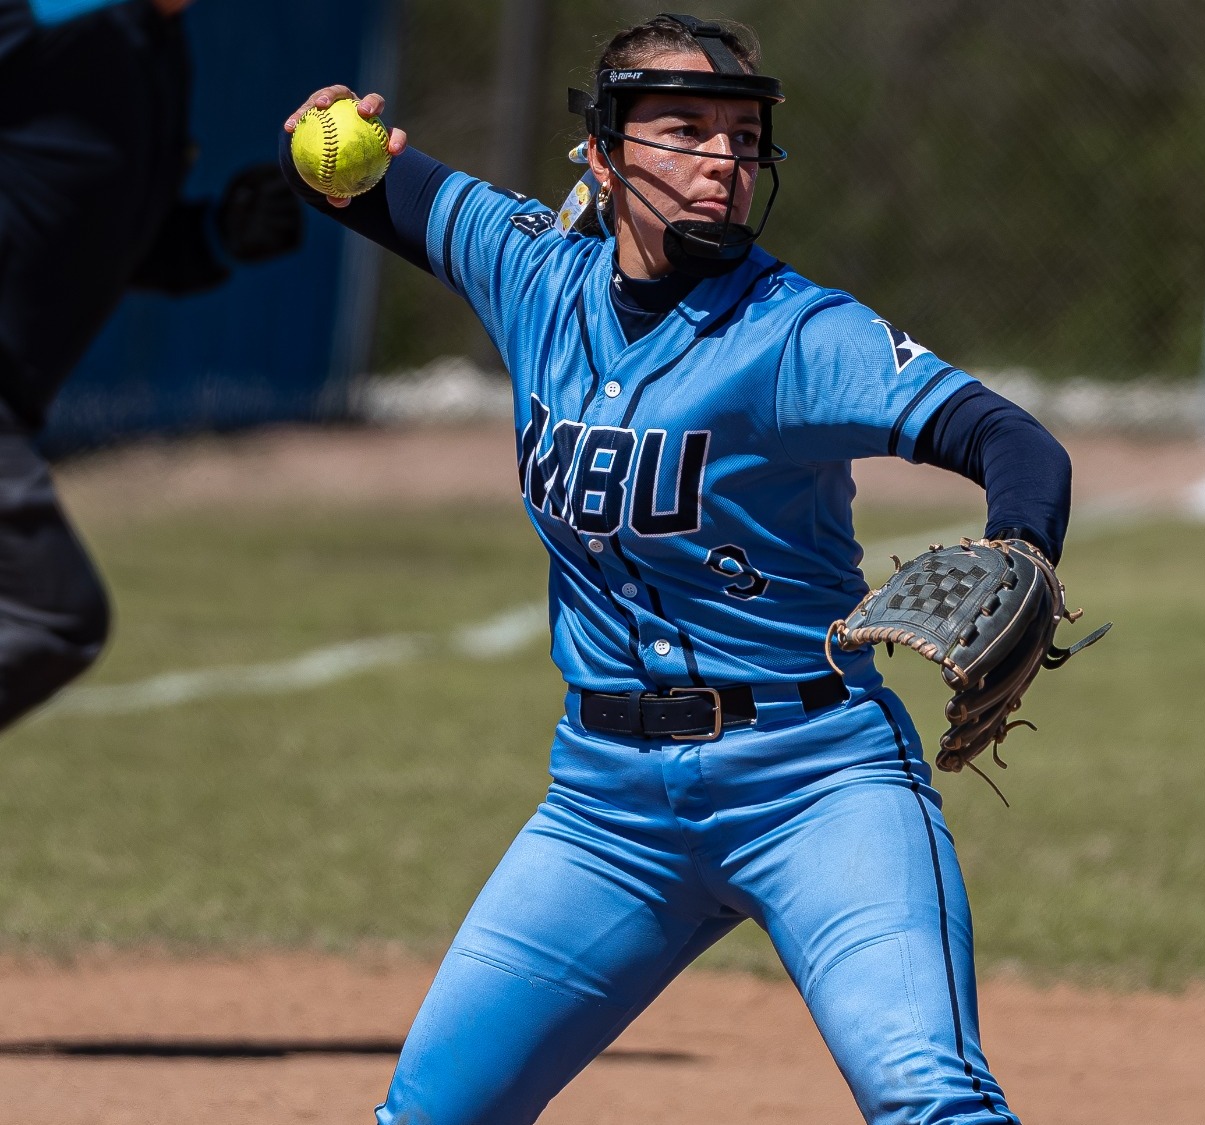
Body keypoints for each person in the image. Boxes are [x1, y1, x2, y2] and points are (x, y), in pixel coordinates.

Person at [283, 14, 1069, 1125]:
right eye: (683, 129)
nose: (721, 162)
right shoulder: (531, 275)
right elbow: (371, 185)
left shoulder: (797, 335)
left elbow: (1012, 440)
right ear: (600, 154)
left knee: (927, 1100)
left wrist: (1023, 543)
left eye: (741, 137)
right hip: (606, 810)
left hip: (814, 783)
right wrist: (325, 141)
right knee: (429, 1116)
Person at [0, 0, 302, 727]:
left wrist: (217, 235)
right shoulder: (55, 20)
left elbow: (110, 234)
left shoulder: (159, 49)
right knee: (52, 613)